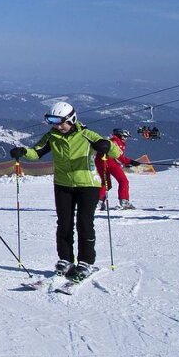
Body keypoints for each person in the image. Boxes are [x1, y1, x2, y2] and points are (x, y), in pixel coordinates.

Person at [11, 101, 113, 283]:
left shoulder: (87, 135)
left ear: (71, 119)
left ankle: (86, 261)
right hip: (63, 185)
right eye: (54, 123)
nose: (58, 126)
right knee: (64, 224)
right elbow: (36, 152)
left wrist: (106, 146)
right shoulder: (52, 137)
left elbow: (114, 151)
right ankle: (65, 259)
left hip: (88, 186)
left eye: (61, 122)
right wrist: (23, 151)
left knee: (84, 223)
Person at [96, 128, 138, 210]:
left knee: (106, 183)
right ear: (120, 135)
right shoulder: (117, 142)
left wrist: (126, 163)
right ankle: (124, 201)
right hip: (110, 162)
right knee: (123, 181)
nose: (126, 139)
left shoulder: (110, 140)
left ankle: (99, 202)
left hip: (100, 162)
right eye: (125, 137)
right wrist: (130, 161)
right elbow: (118, 156)